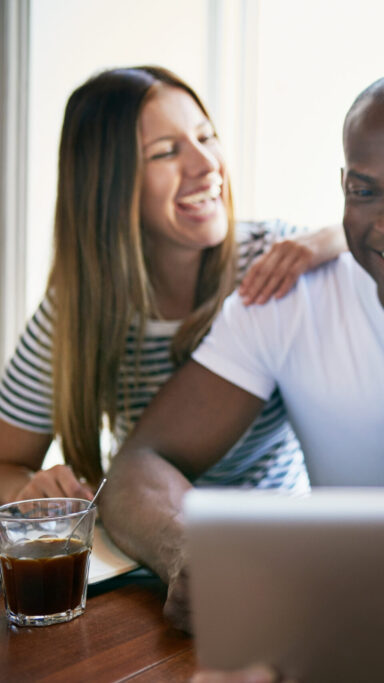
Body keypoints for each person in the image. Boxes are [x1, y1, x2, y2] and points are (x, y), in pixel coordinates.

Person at [100, 71, 384, 631]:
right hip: (329, 625)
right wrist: (187, 549)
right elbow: (139, 464)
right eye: (366, 191)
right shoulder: (288, 300)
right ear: (343, 188)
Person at [0, 65, 346, 505]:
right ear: (108, 185)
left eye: (205, 137)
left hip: (274, 542)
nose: (206, 165)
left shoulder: (271, 260)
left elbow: (379, 244)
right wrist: (29, 488)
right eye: (166, 152)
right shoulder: (75, 310)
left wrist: (333, 238)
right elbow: (6, 463)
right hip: (143, 553)